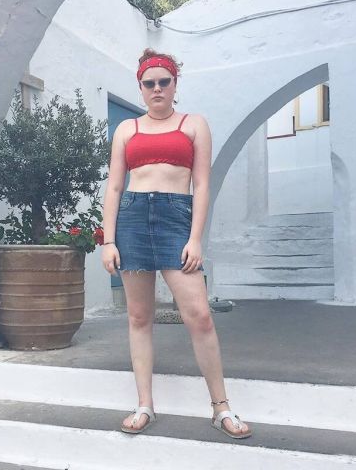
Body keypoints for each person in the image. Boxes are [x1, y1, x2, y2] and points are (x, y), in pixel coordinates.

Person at [101, 48, 251, 439]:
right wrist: (108, 240)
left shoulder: (193, 124)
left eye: (163, 82)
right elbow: (114, 187)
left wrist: (196, 238)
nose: (156, 89)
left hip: (175, 219)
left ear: (174, 84)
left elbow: (202, 184)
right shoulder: (126, 129)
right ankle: (144, 405)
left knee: (199, 315)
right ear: (140, 87)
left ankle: (221, 407)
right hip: (133, 218)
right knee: (139, 317)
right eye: (148, 83)